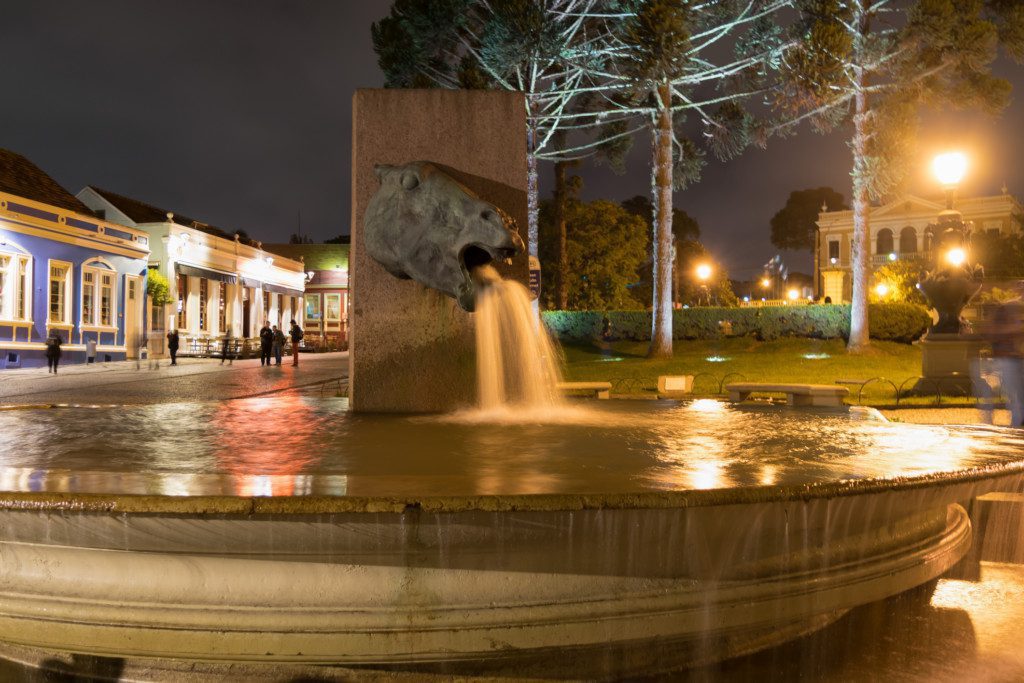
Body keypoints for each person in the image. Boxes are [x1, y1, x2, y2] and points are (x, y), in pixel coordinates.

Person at [984, 301, 1024, 426]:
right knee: (1013, 393)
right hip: (1008, 361)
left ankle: (1017, 421)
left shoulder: (1011, 323)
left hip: (1013, 360)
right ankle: (1017, 421)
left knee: (1015, 393)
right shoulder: (1003, 325)